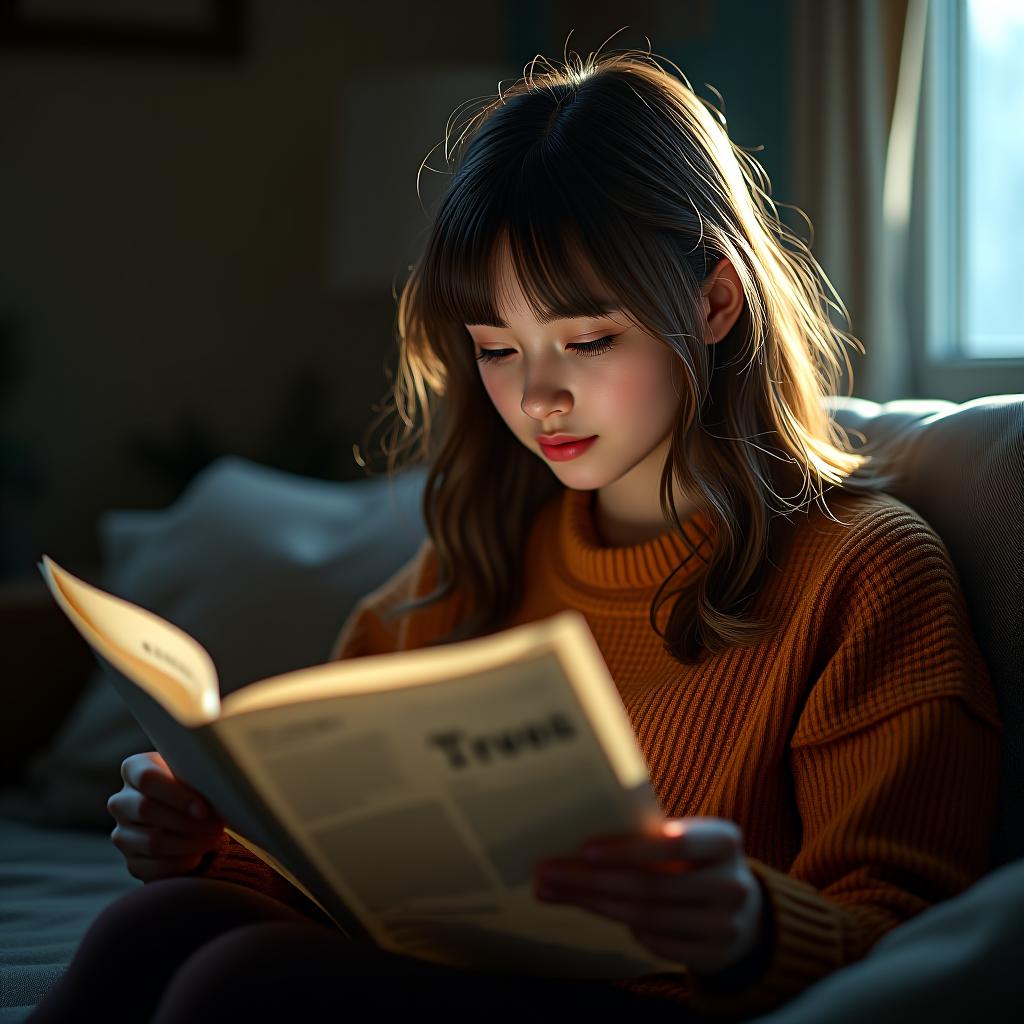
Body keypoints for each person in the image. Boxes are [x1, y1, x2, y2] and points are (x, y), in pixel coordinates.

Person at [28, 38, 1002, 1024]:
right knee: (154, 925)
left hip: (685, 1002)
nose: (537, 395)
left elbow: (919, 943)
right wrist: (207, 841)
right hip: (468, 978)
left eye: (585, 341)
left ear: (713, 301)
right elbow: (348, 885)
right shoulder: (477, 557)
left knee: (237, 986)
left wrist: (744, 921)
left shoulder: (866, 571)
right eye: (496, 349)